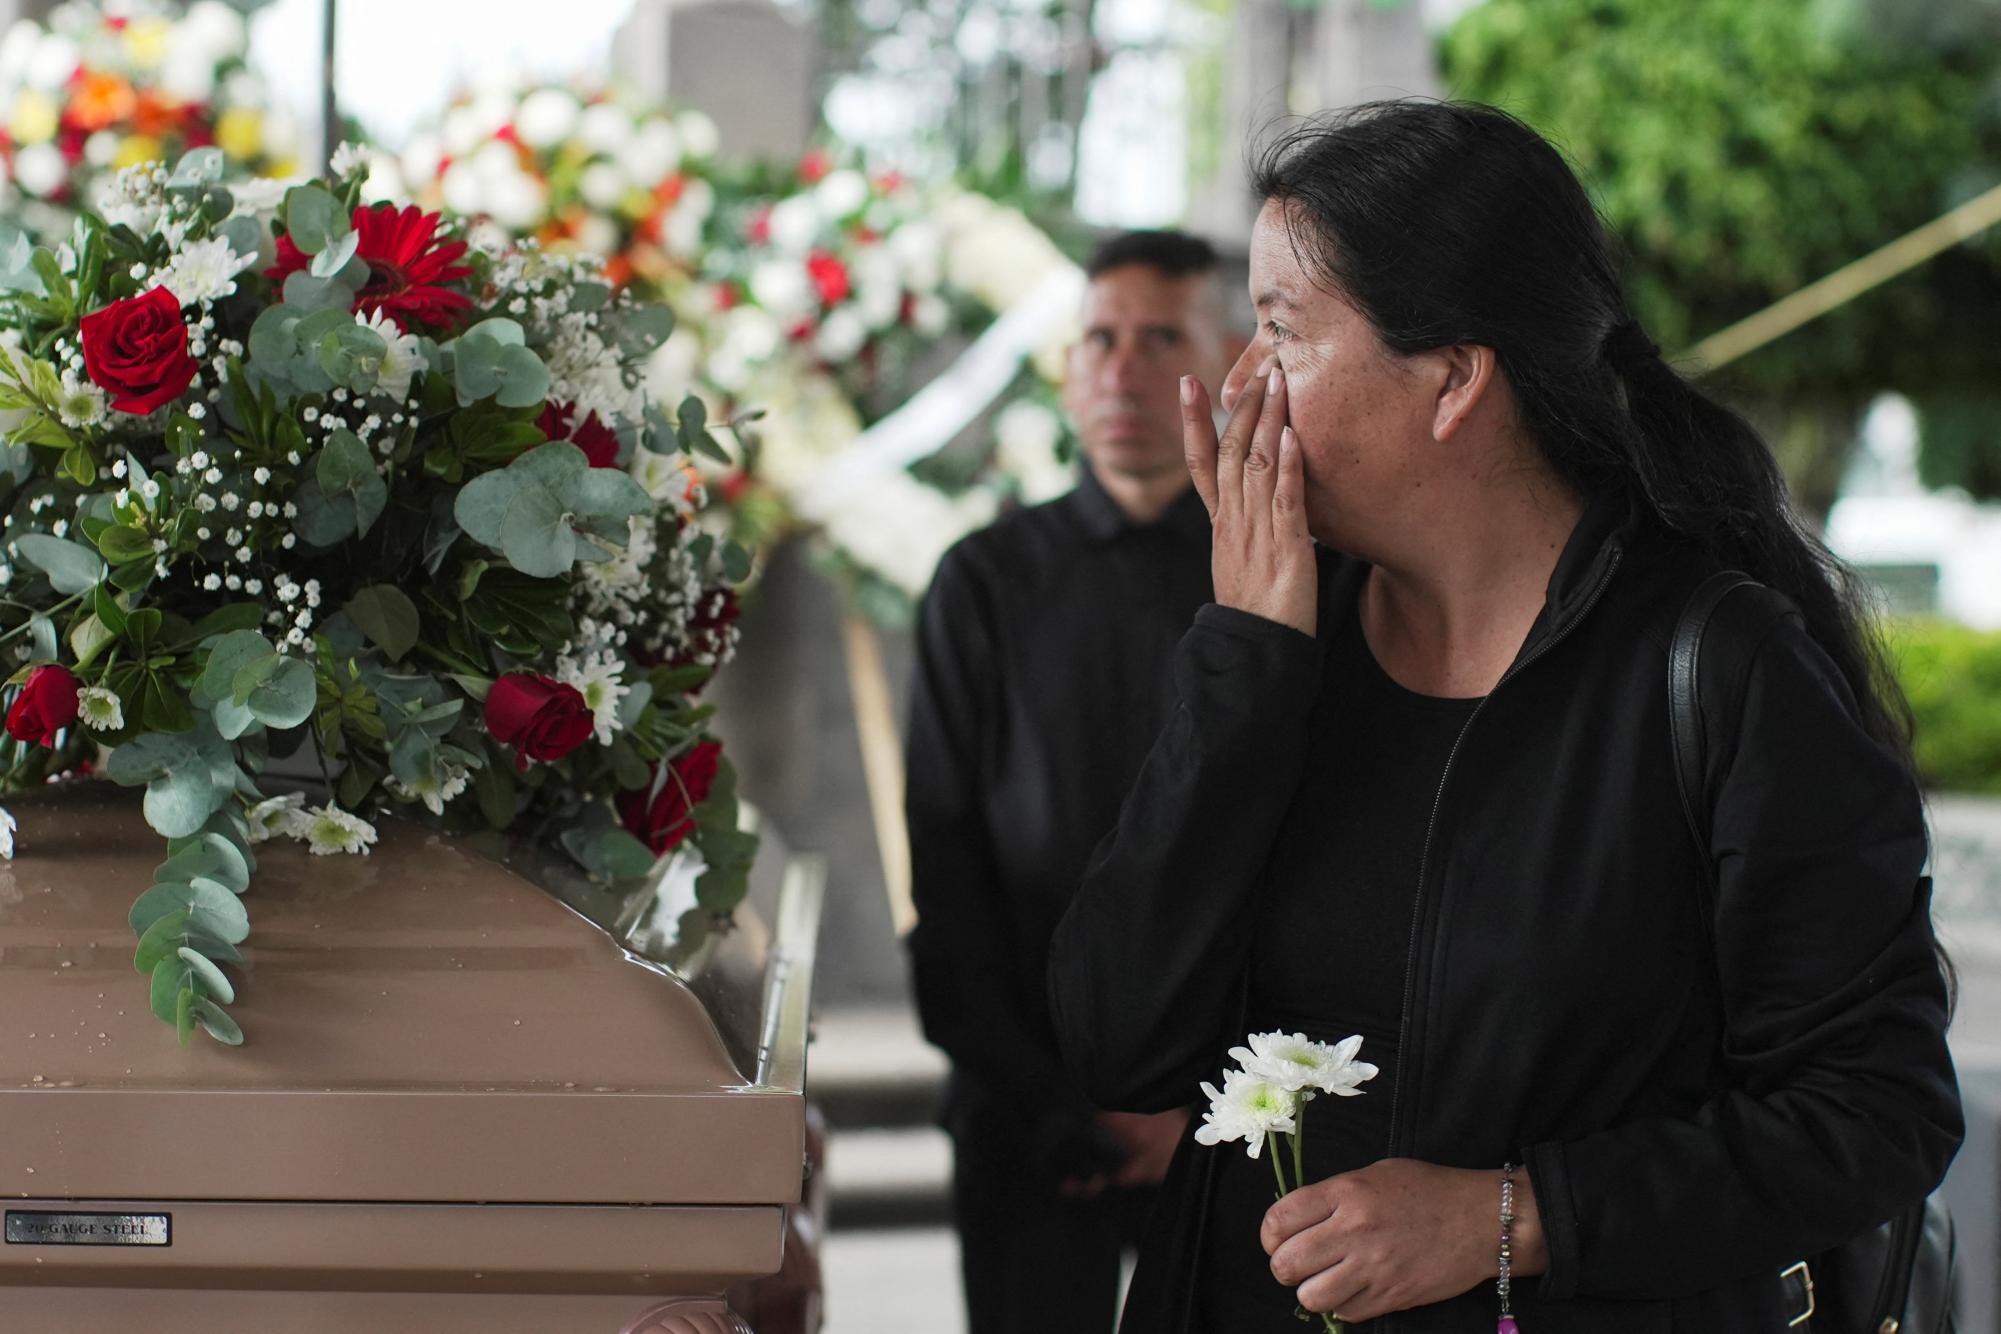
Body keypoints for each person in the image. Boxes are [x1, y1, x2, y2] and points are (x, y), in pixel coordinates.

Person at [1047, 101, 1962, 1333]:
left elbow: (1877, 1107)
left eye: (1280, 331)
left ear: (1455, 381)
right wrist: (1245, 665)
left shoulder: (1715, 669)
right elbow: (1117, 1040)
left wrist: (1511, 1215)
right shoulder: (1272, 642)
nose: (1237, 384)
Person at [905, 229, 1241, 1334]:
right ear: (1066, 366)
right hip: (1025, 1109)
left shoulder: (1283, 571)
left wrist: (1189, 1105)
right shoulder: (985, 581)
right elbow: (948, 871)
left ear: (1234, 357)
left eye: (1160, 338)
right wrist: (1067, 1102)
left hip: (1242, 1120)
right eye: (1100, 336)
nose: (1122, 367)